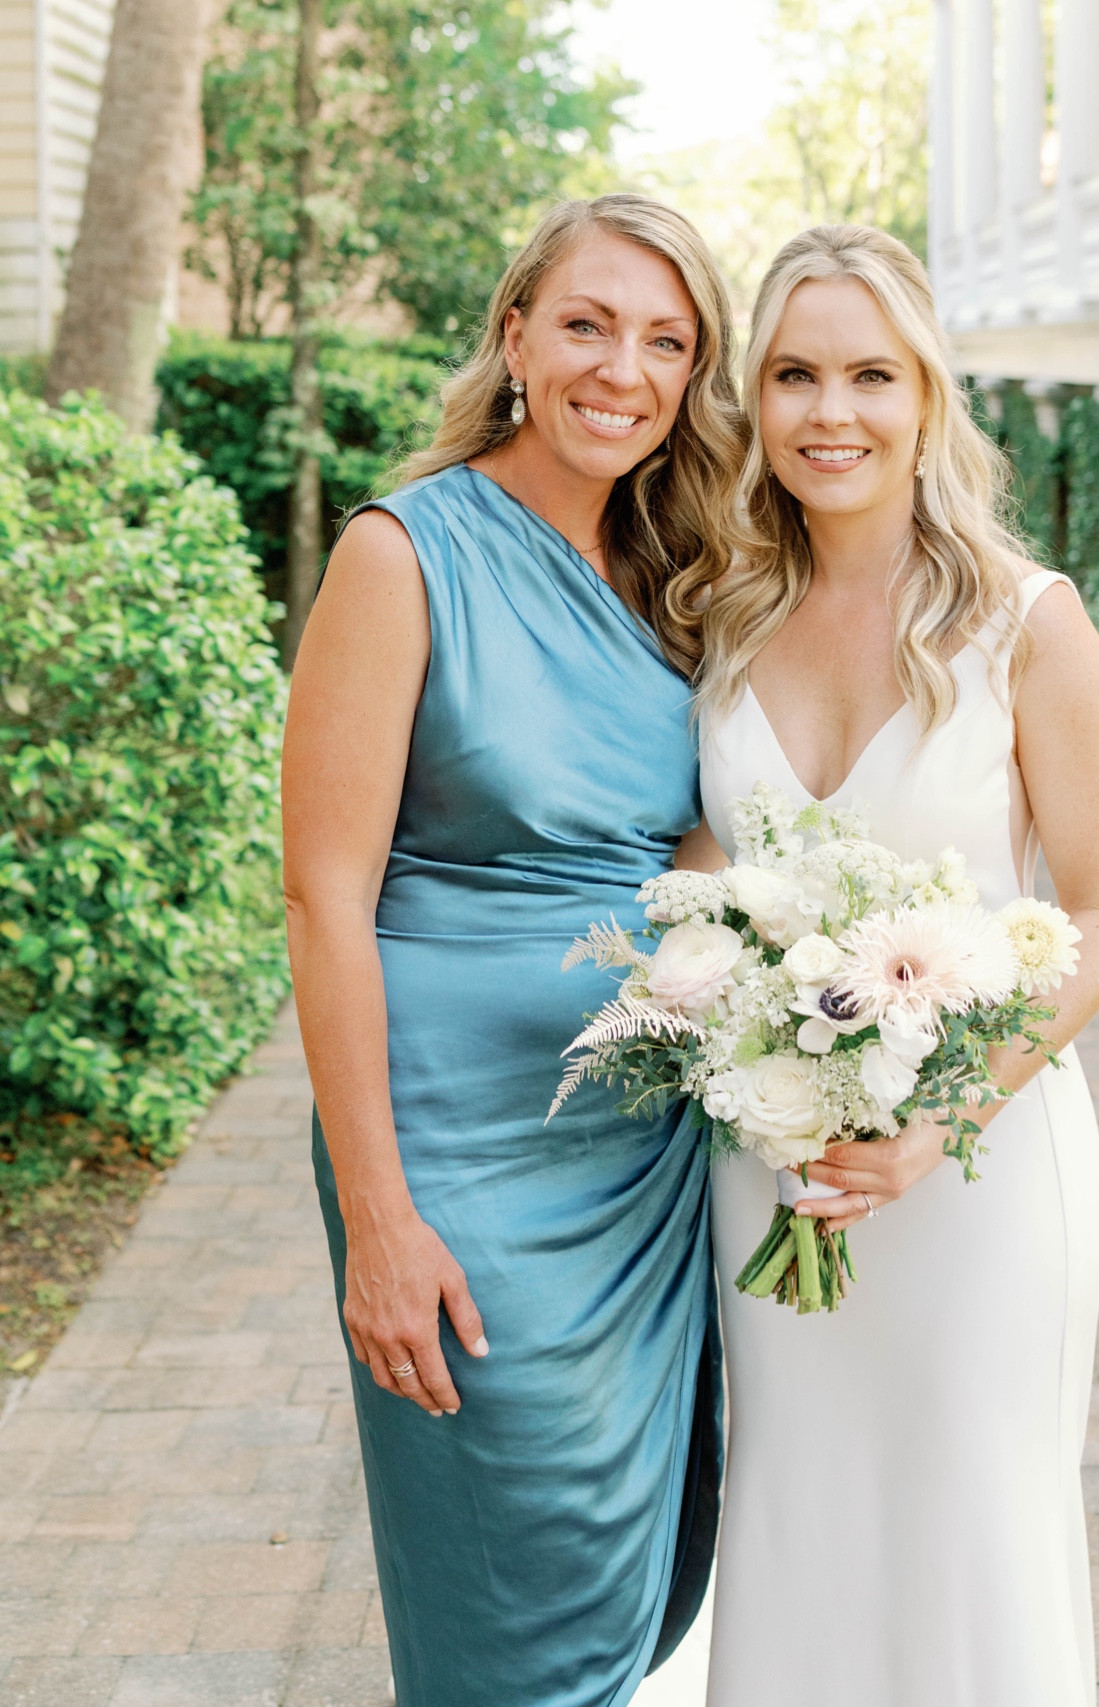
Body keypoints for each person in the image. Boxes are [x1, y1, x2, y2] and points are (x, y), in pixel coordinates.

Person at [282, 194, 747, 1707]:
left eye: (666, 341)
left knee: (633, 1576)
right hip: (455, 1156)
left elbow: (694, 837)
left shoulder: (674, 578)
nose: (624, 368)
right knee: (510, 1602)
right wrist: (377, 1223)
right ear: (515, 338)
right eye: (588, 323)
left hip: (639, 1151)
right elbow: (322, 897)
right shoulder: (401, 551)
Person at [678, 225, 1099, 1706]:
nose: (834, 411)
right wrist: (722, 987)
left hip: (980, 1169)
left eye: (870, 374)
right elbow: (704, 856)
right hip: (777, 1167)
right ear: (754, 402)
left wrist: (942, 1124)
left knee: (972, 1527)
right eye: (796, 374)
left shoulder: (1024, 619)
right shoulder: (718, 615)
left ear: (928, 397)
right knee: (800, 1513)